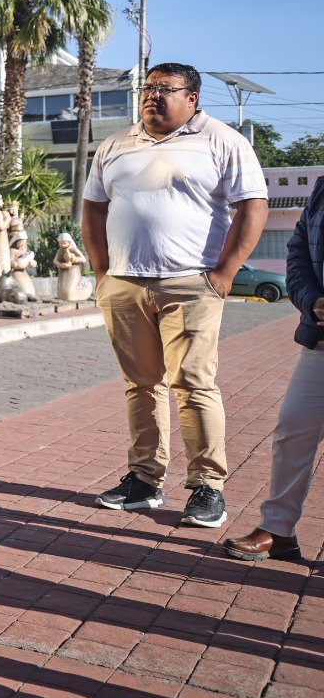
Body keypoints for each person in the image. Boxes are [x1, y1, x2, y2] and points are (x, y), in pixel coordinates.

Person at [83, 62, 267, 530]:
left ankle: (208, 487)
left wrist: (224, 274)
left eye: (165, 89)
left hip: (191, 284)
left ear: (194, 98)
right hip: (125, 285)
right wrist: (102, 272)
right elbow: (93, 208)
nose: (152, 96)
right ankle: (144, 481)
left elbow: (253, 205)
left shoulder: (223, 140)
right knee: (141, 384)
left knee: (193, 384)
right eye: (147, 88)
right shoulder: (115, 144)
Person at [221, 174, 324, 561]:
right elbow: (298, 252)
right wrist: (311, 300)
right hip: (321, 340)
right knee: (293, 430)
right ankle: (279, 531)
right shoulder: (322, 187)